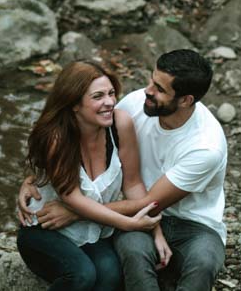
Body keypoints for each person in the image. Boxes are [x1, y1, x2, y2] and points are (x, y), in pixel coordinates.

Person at [19, 49, 227, 291]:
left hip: (188, 222)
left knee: (201, 262)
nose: (148, 91)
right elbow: (59, 165)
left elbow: (146, 197)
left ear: (185, 100)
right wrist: (35, 178)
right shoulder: (136, 105)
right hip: (123, 214)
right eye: (152, 80)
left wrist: (76, 213)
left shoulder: (205, 146)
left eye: (159, 89)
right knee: (115, 262)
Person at [17, 60, 169, 291]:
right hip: (44, 229)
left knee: (110, 277)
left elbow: (134, 184)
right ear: (74, 104)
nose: (109, 102)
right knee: (82, 275)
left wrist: (155, 231)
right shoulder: (56, 138)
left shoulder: (120, 124)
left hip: (92, 233)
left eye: (110, 93)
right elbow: (72, 198)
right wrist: (128, 224)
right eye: (98, 96)